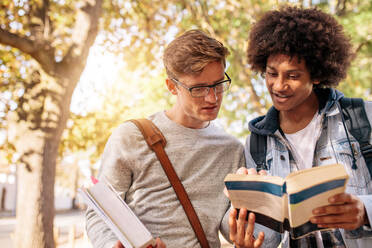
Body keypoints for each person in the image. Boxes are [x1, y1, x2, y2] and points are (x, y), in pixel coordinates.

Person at [86, 30, 261, 248]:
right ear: (172, 87)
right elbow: (98, 213)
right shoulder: (132, 136)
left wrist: (247, 213)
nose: (212, 97)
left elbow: (227, 227)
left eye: (218, 84)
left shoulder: (232, 150)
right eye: (198, 89)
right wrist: (111, 245)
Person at [240, 6, 372, 248]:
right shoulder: (256, 144)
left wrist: (365, 211)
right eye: (271, 74)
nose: (278, 86)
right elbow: (267, 237)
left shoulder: (363, 117)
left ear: (317, 75)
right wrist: (247, 239)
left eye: (292, 76)